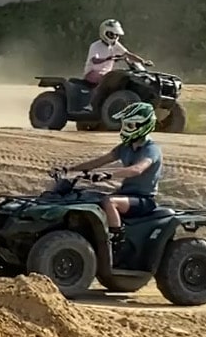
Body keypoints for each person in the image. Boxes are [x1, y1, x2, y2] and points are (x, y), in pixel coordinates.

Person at [58, 101, 162, 253]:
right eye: (124, 124)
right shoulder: (125, 147)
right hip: (126, 195)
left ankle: (116, 242)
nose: (125, 129)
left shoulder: (151, 149)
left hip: (143, 199)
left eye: (130, 125)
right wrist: (70, 169)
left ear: (143, 125)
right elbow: (99, 161)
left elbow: (137, 169)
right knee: (88, 196)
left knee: (109, 202)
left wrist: (109, 174)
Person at [78, 18, 153, 112]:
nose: (114, 37)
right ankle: (90, 105)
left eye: (116, 35)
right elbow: (95, 60)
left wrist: (142, 61)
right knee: (106, 80)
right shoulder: (95, 46)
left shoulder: (115, 45)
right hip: (92, 72)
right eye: (111, 34)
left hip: (107, 74)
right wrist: (109, 58)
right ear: (104, 33)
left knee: (119, 80)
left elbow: (128, 54)